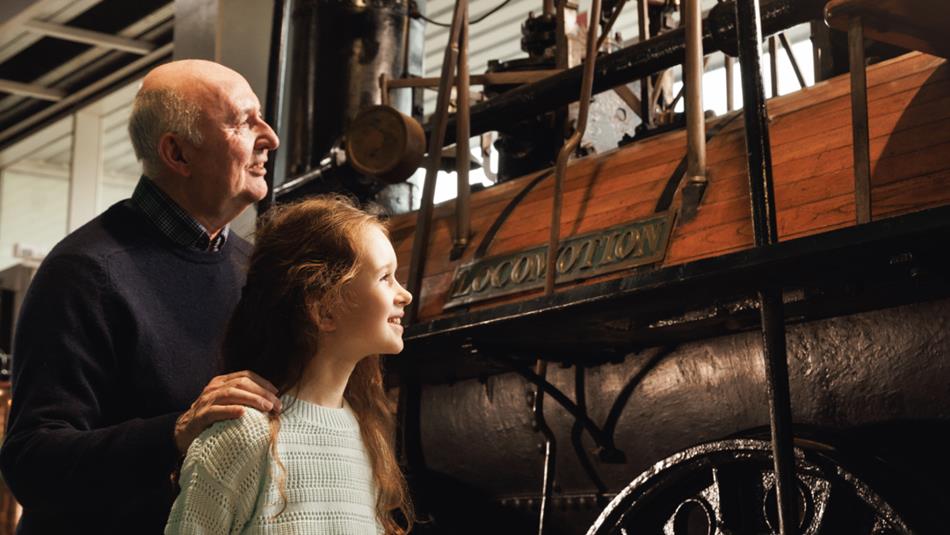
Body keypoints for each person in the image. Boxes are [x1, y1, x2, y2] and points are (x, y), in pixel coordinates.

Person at [0, 60, 283, 533]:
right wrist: (176, 432)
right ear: (177, 153)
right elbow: (32, 461)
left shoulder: (254, 270)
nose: (269, 137)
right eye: (241, 121)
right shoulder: (87, 271)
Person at [164, 196, 415, 535]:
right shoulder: (243, 436)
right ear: (324, 310)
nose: (406, 295)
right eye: (385, 277)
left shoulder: (364, 434)